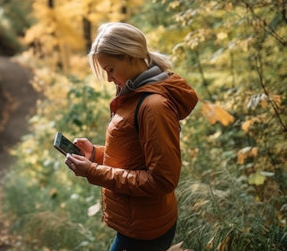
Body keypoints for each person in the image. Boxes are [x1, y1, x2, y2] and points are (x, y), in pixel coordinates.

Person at [64, 22, 198, 251]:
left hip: (144, 233)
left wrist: (93, 172)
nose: (108, 79)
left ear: (130, 57)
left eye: (110, 69)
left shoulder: (154, 107)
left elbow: (162, 180)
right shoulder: (134, 95)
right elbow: (136, 156)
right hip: (136, 222)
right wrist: (94, 154)